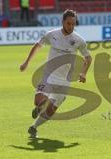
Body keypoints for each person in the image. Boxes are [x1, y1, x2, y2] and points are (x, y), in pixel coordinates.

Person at [20, 9, 92, 138]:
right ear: (63, 22)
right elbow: (37, 45)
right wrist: (26, 62)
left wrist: (83, 73)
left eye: (73, 24)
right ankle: (40, 107)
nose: (71, 26)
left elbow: (88, 58)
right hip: (48, 75)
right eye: (68, 23)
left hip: (64, 80)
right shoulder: (52, 34)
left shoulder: (78, 40)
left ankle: (34, 127)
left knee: (50, 111)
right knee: (38, 101)